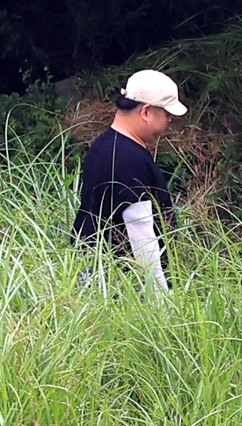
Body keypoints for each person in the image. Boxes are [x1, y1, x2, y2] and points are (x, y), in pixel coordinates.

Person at [74, 68, 187, 293]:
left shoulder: (102, 146)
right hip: (126, 290)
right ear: (146, 112)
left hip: (96, 280)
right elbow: (141, 235)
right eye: (166, 114)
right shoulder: (129, 160)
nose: (168, 122)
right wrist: (160, 300)